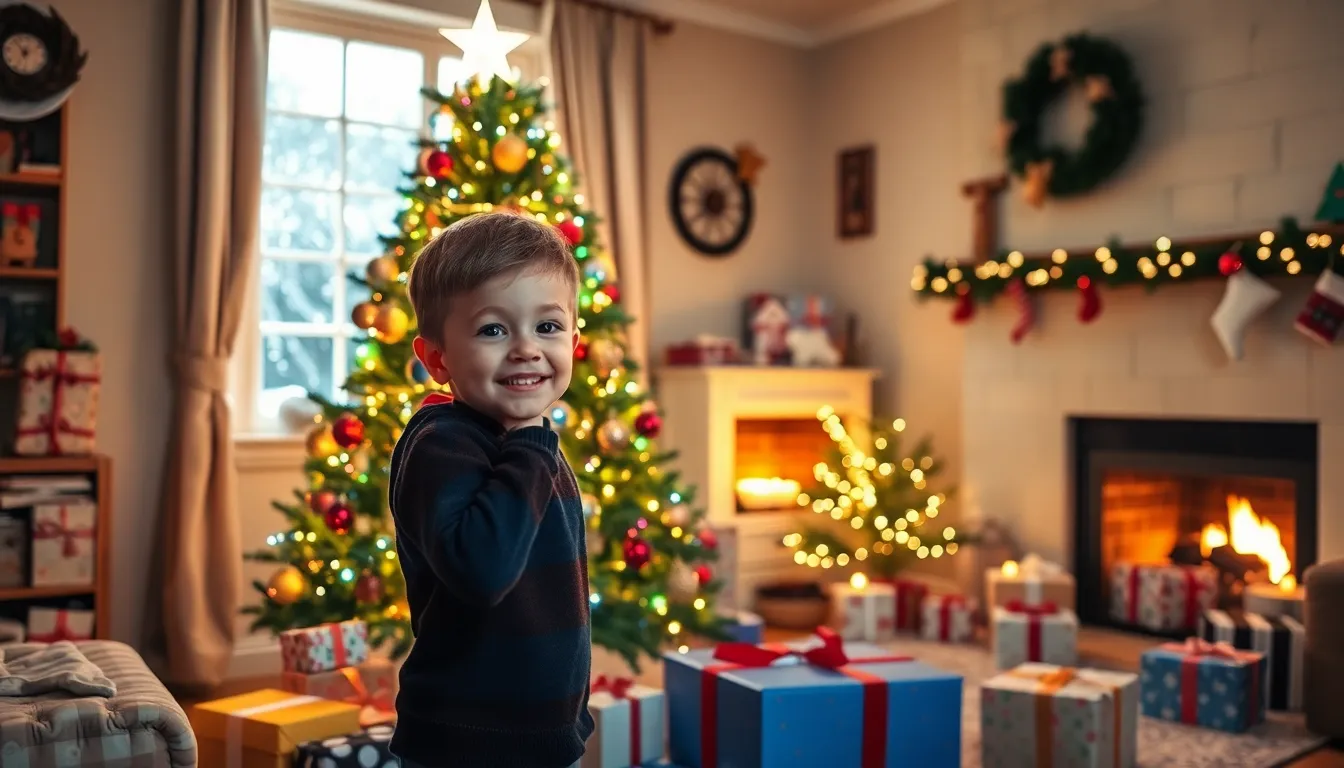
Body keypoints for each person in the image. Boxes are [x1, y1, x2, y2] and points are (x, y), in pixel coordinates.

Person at [388, 211, 594, 767]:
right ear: (436, 358)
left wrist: (570, 713)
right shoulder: (441, 444)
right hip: (466, 739)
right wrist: (530, 443)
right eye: (493, 329)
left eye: (547, 327)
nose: (526, 348)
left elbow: (555, 593)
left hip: (543, 733)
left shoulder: (533, 443)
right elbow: (484, 571)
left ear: (574, 340)